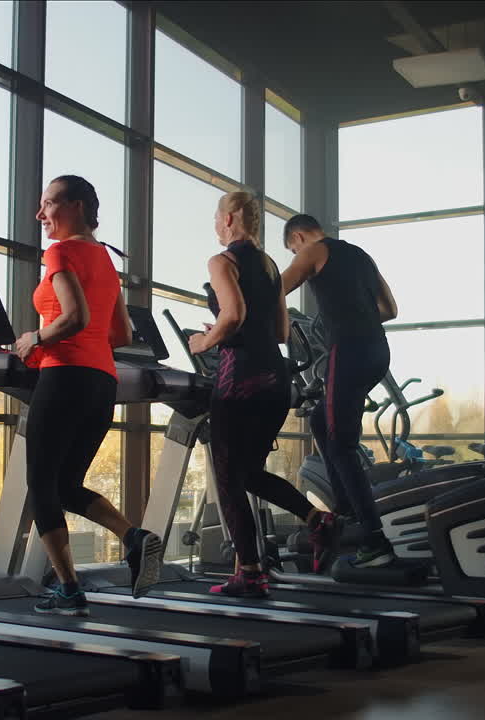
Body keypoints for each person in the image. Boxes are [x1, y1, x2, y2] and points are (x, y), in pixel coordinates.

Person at [14, 175, 164, 616]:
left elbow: (74, 316)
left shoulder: (59, 251)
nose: (40, 215)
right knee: (64, 485)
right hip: (102, 382)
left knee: (42, 486)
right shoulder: (103, 258)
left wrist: (33, 339)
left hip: (64, 377)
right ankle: (133, 536)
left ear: (76, 206)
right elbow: (120, 332)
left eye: (48, 205)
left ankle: (69, 589)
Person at [186, 193, 339, 598]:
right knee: (249, 472)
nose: (215, 225)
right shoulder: (271, 265)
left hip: (240, 380)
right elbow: (281, 333)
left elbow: (233, 315)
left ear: (231, 218)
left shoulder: (222, 262)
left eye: (216, 218)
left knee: (227, 477)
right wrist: (231, 328)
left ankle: (250, 572)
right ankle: (316, 520)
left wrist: (204, 340)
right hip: (275, 379)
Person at [280, 214, 398, 568]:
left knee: (340, 443)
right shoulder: (360, 254)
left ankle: (374, 539)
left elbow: (274, 290)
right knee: (321, 423)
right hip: (378, 351)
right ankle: (347, 515)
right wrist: (354, 314)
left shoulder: (313, 250)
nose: (295, 254)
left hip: (348, 352)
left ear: (298, 237)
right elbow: (390, 309)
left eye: (292, 249)